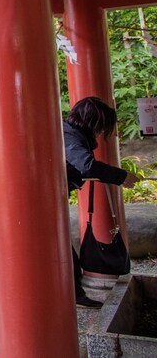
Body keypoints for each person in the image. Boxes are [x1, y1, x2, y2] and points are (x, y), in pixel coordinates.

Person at [63, 96, 138, 308]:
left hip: (44, 200)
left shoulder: (70, 134)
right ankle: (73, 294)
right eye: (101, 127)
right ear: (94, 123)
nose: (101, 133)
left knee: (61, 247)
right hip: (36, 202)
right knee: (59, 248)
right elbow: (86, 166)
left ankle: (74, 294)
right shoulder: (70, 136)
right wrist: (122, 177)